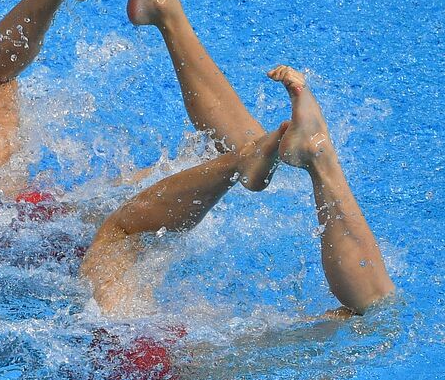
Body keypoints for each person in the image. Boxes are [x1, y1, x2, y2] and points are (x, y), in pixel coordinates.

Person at [81, 66, 394, 320]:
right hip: (165, 359)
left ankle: (247, 157)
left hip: (173, 371)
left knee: (119, 232)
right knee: (370, 315)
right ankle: (313, 157)